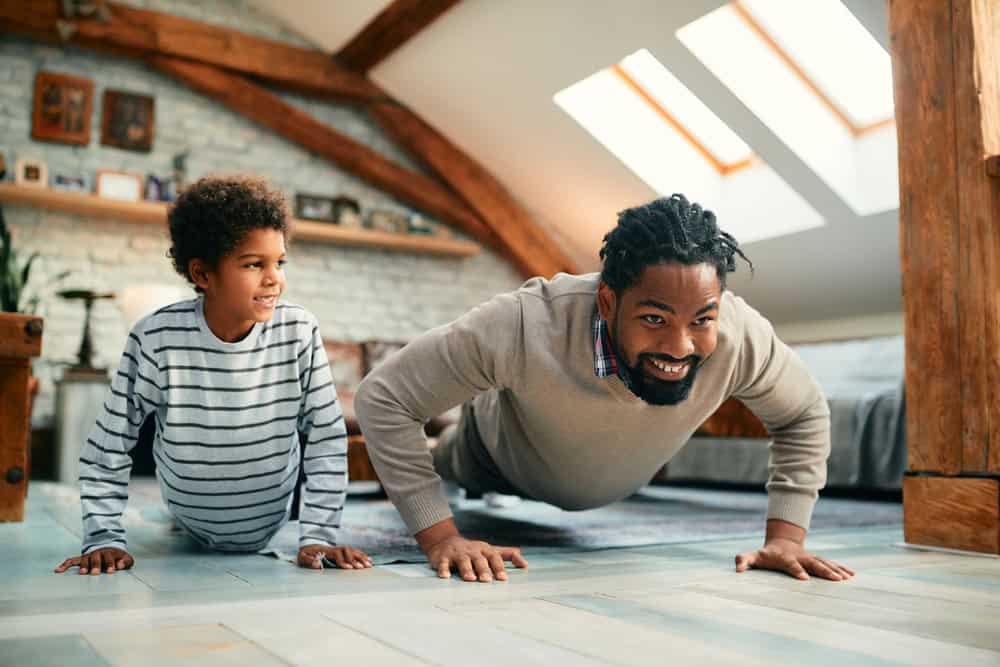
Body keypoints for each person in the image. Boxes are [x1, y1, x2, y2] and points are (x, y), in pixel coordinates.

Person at [355, 194, 854, 584]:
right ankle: (449, 427)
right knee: (448, 456)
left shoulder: (740, 336)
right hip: (494, 454)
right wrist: (440, 536)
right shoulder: (526, 323)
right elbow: (383, 397)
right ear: (608, 302)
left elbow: (805, 412)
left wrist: (786, 537)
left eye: (702, 318)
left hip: (601, 470)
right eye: (654, 318)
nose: (680, 346)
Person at [55, 177, 371, 575]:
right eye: (255, 264)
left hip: (275, 516)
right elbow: (108, 445)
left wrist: (319, 535)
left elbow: (326, 437)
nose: (275, 278)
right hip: (188, 518)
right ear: (203, 275)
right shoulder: (155, 338)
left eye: (280, 262)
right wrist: (103, 538)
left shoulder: (299, 331)